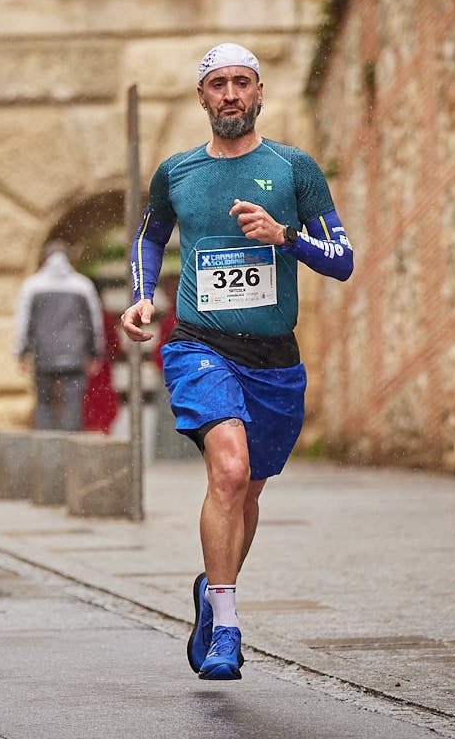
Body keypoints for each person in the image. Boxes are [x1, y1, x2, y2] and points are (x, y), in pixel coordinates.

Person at [120, 43, 354, 681]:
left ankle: (209, 590)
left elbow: (342, 258)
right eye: (218, 84)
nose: (230, 94)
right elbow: (149, 235)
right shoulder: (177, 172)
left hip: (276, 357)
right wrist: (143, 297)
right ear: (202, 97)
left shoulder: (294, 169)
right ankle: (226, 627)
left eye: (241, 83)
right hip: (200, 344)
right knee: (228, 470)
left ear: (259, 93)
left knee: (248, 489)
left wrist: (286, 237)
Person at [14, 240, 105, 431]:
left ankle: (47, 450)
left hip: (43, 355)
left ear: (44, 259)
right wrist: (96, 353)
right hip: (74, 356)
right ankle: (70, 450)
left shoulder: (32, 286)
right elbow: (94, 323)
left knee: (44, 403)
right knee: (73, 405)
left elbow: (22, 322)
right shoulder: (82, 286)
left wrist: (21, 352)